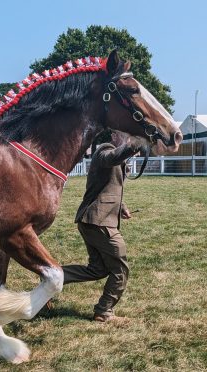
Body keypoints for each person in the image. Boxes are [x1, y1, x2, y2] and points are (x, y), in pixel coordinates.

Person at [62, 131, 142, 323]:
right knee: (120, 269)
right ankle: (104, 311)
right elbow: (112, 158)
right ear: (114, 135)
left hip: (93, 220)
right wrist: (137, 143)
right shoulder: (104, 150)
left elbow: (107, 186)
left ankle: (54, 276)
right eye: (127, 134)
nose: (130, 138)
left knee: (97, 269)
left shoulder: (117, 156)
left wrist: (121, 207)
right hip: (99, 221)